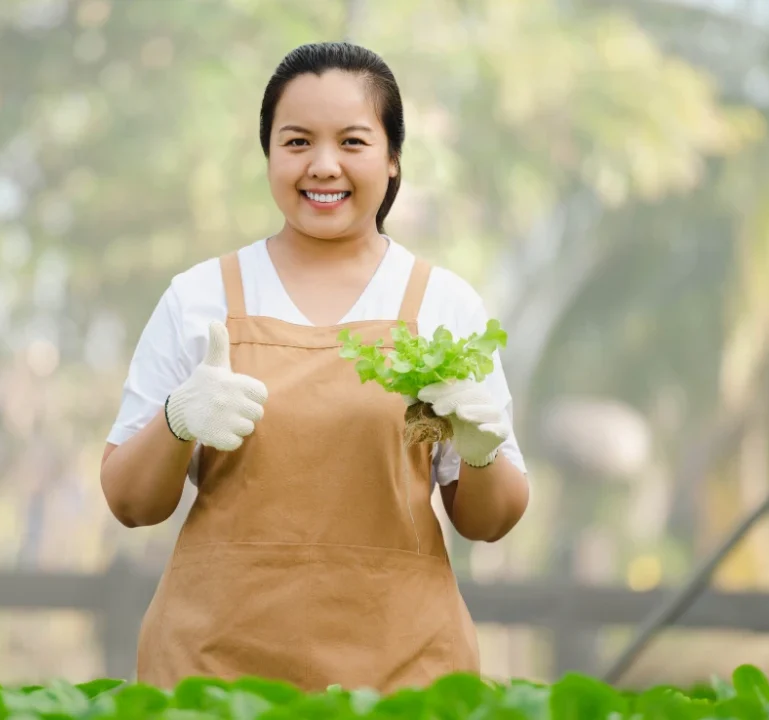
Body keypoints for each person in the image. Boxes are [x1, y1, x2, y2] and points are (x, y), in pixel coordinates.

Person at [100, 41, 530, 693]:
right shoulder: (200, 297)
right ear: (269, 154)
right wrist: (177, 419)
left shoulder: (443, 306)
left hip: (403, 679)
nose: (323, 166)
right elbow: (129, 502)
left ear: (392, 161)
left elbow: (490, 521)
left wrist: (478, 449)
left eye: (353, 142)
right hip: (215, 676)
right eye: (297, 142)